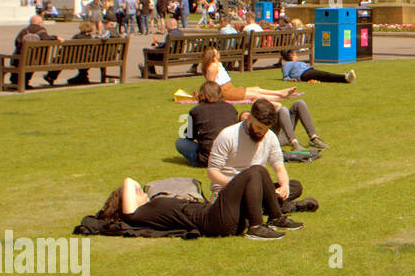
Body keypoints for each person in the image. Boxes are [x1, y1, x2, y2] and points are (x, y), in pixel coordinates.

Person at [102, 166, 299, 241]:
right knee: (253, 172)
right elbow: (128, 180)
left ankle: (277, 217)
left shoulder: (148, 208)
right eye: (136, 193)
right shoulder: (138, 214)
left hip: (214, 213)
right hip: (212, 220)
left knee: (260, 173)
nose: (141, 192)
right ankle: (256, 228)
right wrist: (128, 192)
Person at [206, 99, 313, 210]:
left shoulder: (270, 137)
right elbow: (213, 172)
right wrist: (238, 185)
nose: (262, 133)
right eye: (259, 128)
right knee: (246, 201)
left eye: (266, 130)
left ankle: (267, 205)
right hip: (229, 188)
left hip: (257, 189)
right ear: (250, 118)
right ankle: (288, 206)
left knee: (295, 186)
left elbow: (279, 167)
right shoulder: (228, 136)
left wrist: (284, 186)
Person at [201, 46, 296, 103]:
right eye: (216, 53)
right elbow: (211, 85)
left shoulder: (217, 64)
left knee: (256, 89)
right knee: (254, 94)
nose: (218, 53)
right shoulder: (212, 67)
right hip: (224, 91)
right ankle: (279, 97)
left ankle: (280, 92)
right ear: (213, 56)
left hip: (230, 88)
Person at [176, 81, 239, 166]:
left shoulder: (196, 110)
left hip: (207, 158)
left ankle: (198, 160)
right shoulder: (231, 108)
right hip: (231, 157)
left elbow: (189, 135)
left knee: (180, 142)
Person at [279, 49, 356, 85]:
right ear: (291, 56)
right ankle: (345, 78)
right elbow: (285, 76)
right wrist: (290, 80)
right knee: (325, 75)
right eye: (295, 55)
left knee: (324, 76)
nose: (297, 56)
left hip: (308, 71)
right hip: (304, 74)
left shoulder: (296, 63)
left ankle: (344, 78)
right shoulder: (287, 64)